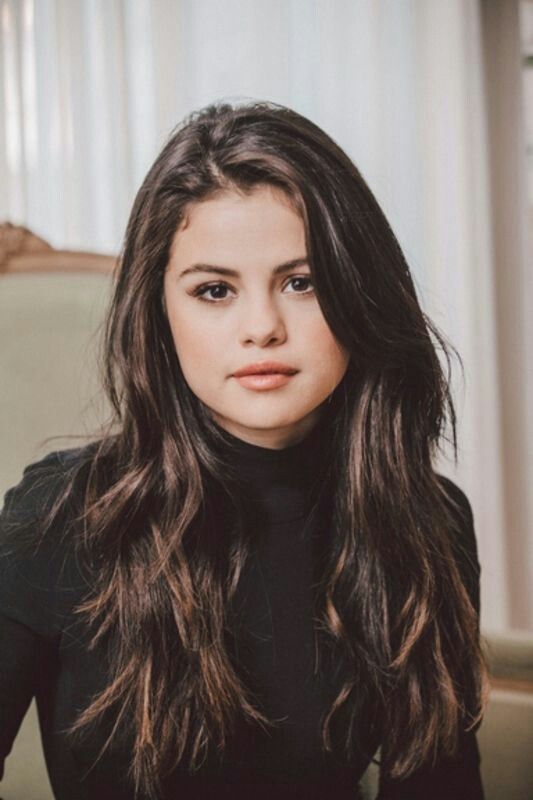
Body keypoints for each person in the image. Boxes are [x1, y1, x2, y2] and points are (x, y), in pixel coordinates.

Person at [0, 100, 490, 800]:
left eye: (302, 281)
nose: (261, 327)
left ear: (359, 290)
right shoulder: (57, 519)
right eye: (213, 290)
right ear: (159, 314)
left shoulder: (428, 520)